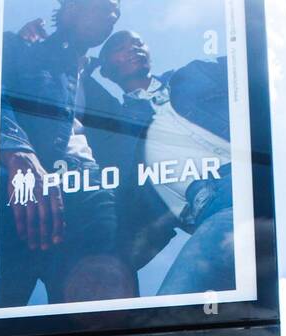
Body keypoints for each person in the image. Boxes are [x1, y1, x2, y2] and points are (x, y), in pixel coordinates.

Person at [0, 0, 135, 308]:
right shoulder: (20, 47)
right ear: (72, 6)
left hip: (89, 189)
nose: (111, 17)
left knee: (98, 319)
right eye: (104, 7)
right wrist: (17, 151)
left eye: (116, 14)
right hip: (22, 187)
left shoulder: (98, 91)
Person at [94, 30, 237, 296]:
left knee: (172, 309)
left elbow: (259, 70)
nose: (134, 48)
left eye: (138, 43)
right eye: (120, 47)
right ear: (106, 70)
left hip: (240, 181)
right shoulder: (119, 129)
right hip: (205, 210)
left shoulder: (191, 75)